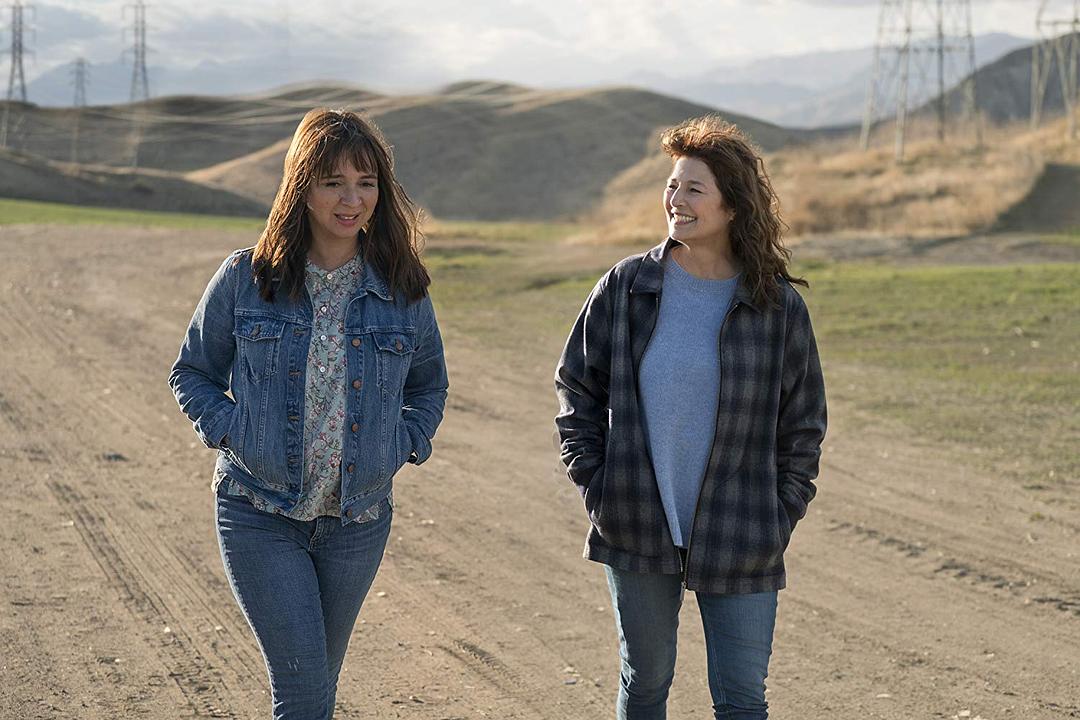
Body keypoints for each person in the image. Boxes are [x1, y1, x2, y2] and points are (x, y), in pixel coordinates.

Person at [169, 108, 448, 719]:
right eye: (333, 182)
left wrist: (399, 445)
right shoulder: (248, 277)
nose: (352, 200)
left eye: (366, 183)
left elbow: (429, 388)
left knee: (318, 685)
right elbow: (192, 372)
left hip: (357, 520)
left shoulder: (402, 290)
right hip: (259, 511)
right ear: (302, 186)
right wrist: (233, 432)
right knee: (301, 693)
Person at [554, 115, 826, 720]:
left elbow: (803, 424)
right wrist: (599, 486)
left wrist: (779, 512)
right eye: (672, 185)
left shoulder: (777, 307)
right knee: (646, 682)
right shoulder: (627, 287)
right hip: (634, 521)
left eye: (694, 189)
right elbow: (577, 388)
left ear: (733, 205)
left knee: (742, 699)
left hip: (744, 530)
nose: (676, 199)